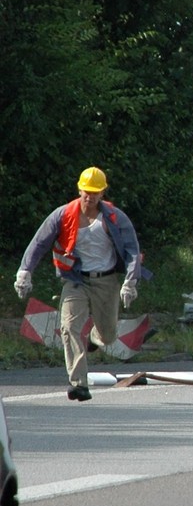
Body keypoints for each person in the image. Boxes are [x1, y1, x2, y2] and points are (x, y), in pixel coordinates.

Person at [14, 167, 142, 402]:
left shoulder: (114, 217)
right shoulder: (63, 215)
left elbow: (133, 249)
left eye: (95, 192)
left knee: (109, 336)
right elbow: (39, 243)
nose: (89, 197)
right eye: (86, 191)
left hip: (106, 281)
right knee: (69, 327)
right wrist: (24, 271)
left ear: (102, 193)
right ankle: (78, 384)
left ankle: (96, 338)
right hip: (76, 280)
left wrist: (130, 282)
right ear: (79, 189)